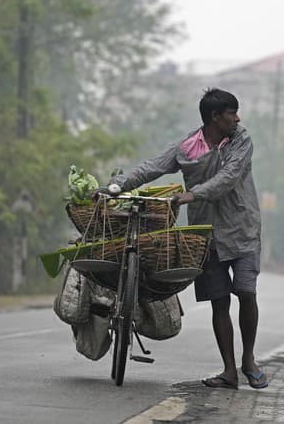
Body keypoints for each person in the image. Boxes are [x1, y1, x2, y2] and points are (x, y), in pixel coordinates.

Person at [104, 88, 267, 390]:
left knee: (246, 292)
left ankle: (248, 359)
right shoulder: (188, 146)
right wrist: (115, 186)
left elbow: (229, 178)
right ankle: (229, 371)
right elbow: (152, 167)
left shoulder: (241, 140)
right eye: (232, 113)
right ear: (216, 117)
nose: (238, 118)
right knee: (219, 301)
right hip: (204, 234)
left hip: (243, 230)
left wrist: (193, 194)